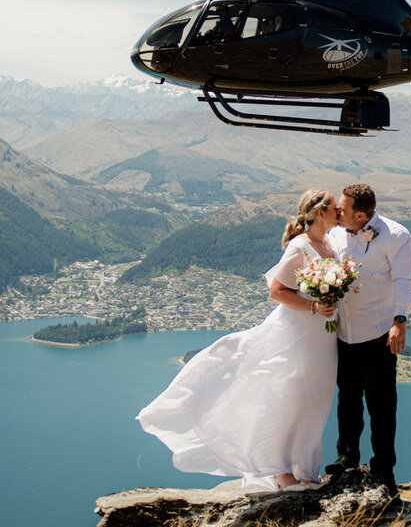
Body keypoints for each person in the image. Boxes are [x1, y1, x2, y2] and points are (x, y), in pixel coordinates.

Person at [136, 189, 340, 492]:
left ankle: (307, 470)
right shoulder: (300, 248)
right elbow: (276, 291)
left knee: (315, 400)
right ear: (320, 213)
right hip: (298, 336)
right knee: (289, 399)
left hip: (323, 338)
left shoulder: (328, 245)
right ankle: (280, 470)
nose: (340, 213)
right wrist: (313, 306)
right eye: (335, 208)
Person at [326, 183, 411, 496]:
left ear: (361, 215)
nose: (338, 211)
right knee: (347, 400)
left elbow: (405, 278)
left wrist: (400, 320)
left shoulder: (397, 235)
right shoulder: (335, 232)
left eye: (343, 207)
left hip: (378, 334)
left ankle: (384, 469)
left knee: (381, 404)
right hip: (343, 332)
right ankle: (346, 458)